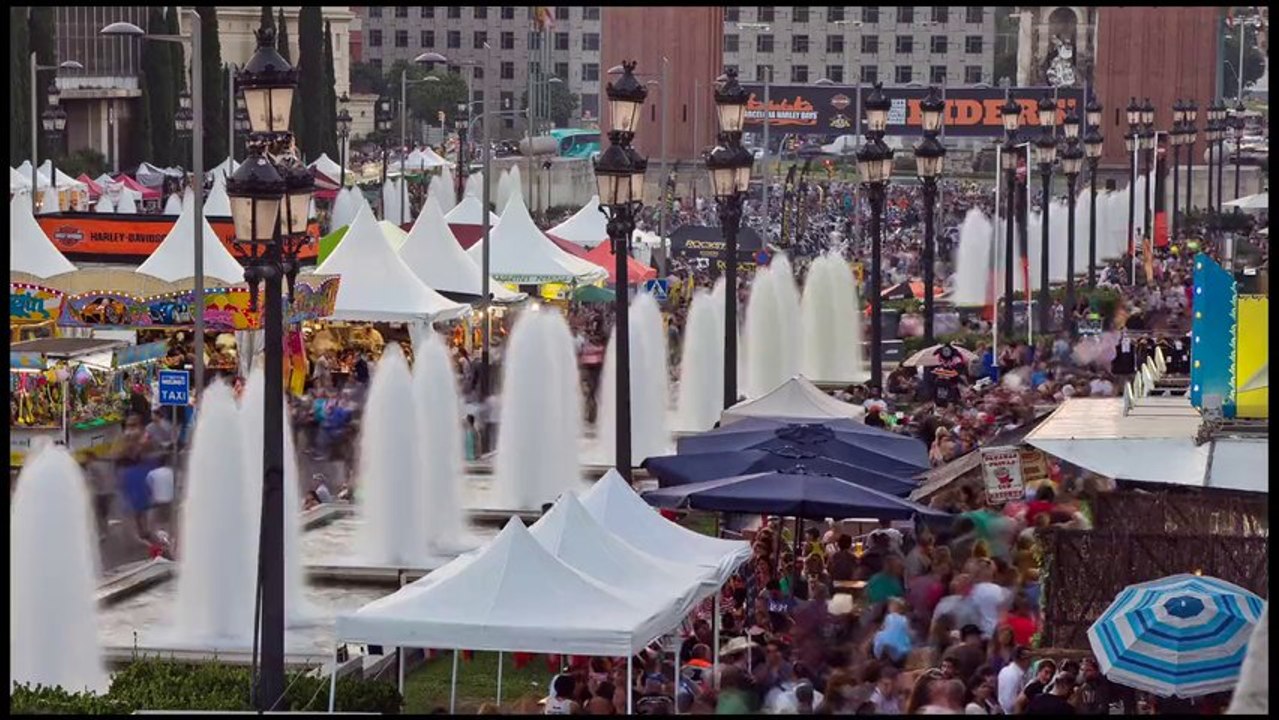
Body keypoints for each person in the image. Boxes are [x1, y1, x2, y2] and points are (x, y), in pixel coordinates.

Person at [996, 646, 1032, 714]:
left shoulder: (1027, 672)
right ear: (1019, 659)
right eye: (1028, 658)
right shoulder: (1011, 674)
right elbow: (1009, 704)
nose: (1030, 661)